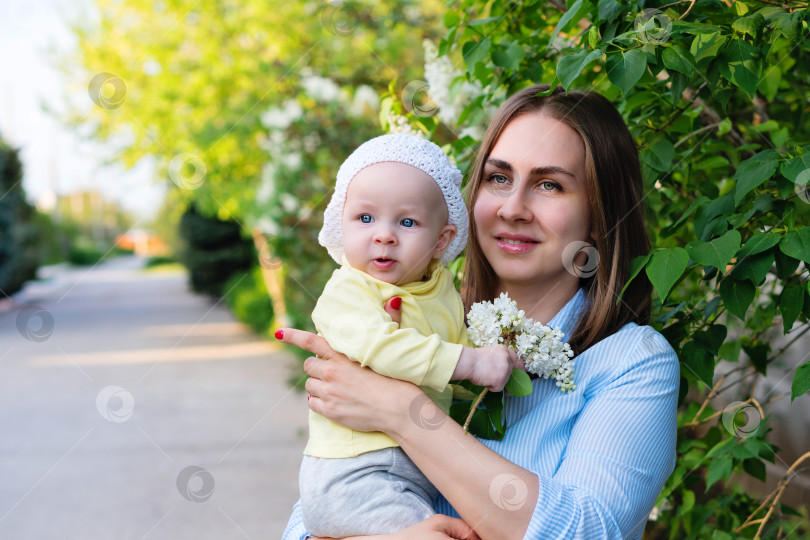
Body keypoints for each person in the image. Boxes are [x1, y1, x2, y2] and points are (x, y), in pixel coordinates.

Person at [280, 84, 680, 540]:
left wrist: (403, 411)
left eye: (549, 185)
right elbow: (314, 510)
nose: (513, 208)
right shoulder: (413, 320)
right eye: (498, 178)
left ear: (599, 213)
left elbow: (585, 531)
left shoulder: (631, 362)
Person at [297, 133, 519, 537]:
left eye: (407, 221)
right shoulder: (349, 290)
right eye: (365, 218)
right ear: (342, 225)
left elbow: (456, 368)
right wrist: (470, 362)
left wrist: (491, 366)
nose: (384, 235)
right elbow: (379, 347)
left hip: (413, 466)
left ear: (442, 240)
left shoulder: (442, 291)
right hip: (356, 473)